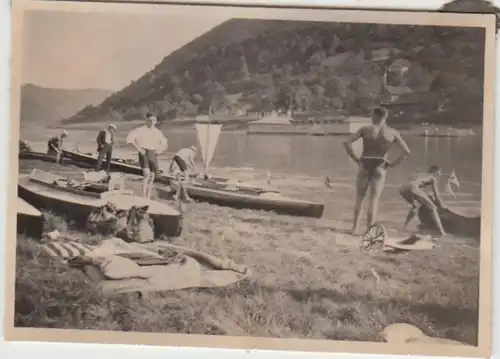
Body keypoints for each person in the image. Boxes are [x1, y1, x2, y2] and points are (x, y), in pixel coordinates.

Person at [343, 106, 411, 235]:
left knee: (359, 198)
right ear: (385, 117)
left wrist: (356, 159)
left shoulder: (365, 129)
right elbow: (406, 151)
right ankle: (368, 230)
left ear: (374, 116)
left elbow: (347, 142)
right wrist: (393, 164)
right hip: (380, 165)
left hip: (365, 163)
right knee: (374, 200)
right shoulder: (392, 132)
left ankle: (354, 228)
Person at [126, 113, 168, 198]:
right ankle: (143, 195)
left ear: (155, 121)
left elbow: (164, 143)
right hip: (144, 152)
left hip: (153, 153)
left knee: (152, 177)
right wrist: (139, 149)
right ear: (146, 120)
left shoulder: (157, 132)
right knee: (146, 175)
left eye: (153, 120)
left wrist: (159, 150)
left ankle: (148, 196)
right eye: (150, 120)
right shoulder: (141, 130)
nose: (152, 122)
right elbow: (129, 138)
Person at [399, 165, 447, 238]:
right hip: (412, 187)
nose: (440, 174)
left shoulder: (421, 174)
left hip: (402, 188)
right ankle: (442, 232)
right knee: (433, 208)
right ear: (434, 171)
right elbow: (436, 195)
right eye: (439, 172)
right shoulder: (432, 178)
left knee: (415, 206)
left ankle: (404, 227)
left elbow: (413, 183)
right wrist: (442, 207)